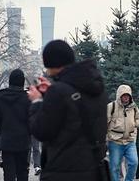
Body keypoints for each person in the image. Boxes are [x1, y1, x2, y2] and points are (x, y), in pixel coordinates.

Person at [26, 40, 106, 181]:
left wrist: (37, 101)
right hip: (92, 169)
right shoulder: (96, 89)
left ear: (50, 63)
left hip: (62, 169)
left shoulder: (59, 91)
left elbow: (42, 130)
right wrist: (52, 91)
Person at [0, 72, 33, 181]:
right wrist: (28, 132)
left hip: (7, 139)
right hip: (23, 139)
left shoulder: (0, 97)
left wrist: (2, 131)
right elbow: (32, 118)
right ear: (22, 82)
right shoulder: (28, 98)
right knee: (23, 170)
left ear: (10, 81)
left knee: (8, 171)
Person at [107, 86, 139, 181]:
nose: (126, 97)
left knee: (134, 162)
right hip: (115, 141)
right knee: (115, 167)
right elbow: (105, 121)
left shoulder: (134, 107)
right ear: (119, 96)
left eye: (128, 95)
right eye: (124, 95)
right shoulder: (111, 106)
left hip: (130, 140)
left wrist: (135, 124)